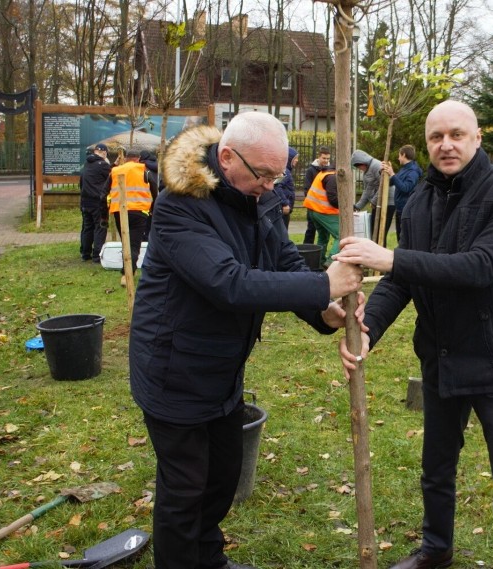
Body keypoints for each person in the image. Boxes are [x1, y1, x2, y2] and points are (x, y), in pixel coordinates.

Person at [128, 112, 365, 569]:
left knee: (221, 479)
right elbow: (228, 283)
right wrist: (325, 285)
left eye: (281, 175)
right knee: (184, 491)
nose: (273, 186)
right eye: (266, 175)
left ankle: (209, 560)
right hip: (174, 370)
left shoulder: (257, 197)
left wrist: (323, 311)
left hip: (222, 370)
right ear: (228, 157)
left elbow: (283, 259)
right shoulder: (180, 205)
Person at [336, 100, 493, 569]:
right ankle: (435, 549)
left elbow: (481, 266)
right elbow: (403, 280)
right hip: (442, 355)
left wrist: (390, 257)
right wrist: (369, 329)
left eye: (456, 134)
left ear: (476, 138)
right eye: (435, 137)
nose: (445, 145)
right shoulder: (422, 199)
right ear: (426, 143)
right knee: (436, 468)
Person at [108, 148, 153, 286]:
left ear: (126, 158)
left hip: (119, 211)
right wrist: (154, 208)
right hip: (139, 211)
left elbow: (104, 191)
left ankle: (128, 271)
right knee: (134, 245)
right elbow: (155, 189)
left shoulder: (115, 171)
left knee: (126, 243)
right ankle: (127, 274)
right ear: (138, 158)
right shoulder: (144, 171)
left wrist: (103, 216)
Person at [78, 143, 112, 263]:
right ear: (104, 153)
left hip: (85, 201)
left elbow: (81, 182)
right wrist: (108, 163)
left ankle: (85, 253)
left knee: (87, 227)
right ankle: (97, 255)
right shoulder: (103, 165)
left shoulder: (87, 164)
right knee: (100, 227)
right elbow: (112, 176)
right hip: (98, 202)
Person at [352, 149, 394, 243]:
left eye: (359, 166)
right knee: (373, 231)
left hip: (387, 203)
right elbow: (367, 190)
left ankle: (381, 255)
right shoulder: (367, 171)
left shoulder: (376, 166)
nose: (359, 168)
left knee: (380, 233)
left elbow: (385, 185)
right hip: (378, 203)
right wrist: (358, 206)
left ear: (363, 162)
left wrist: (374, 201)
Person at [382, 144, 423, 239]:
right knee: (399, 237)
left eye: (399, 155)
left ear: (404, 155)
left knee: (404, 239)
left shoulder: (413, 171)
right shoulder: (404, 169)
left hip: (407, 210)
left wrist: (392, 174)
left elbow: (405, 188)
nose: (398, 158)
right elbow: (393, 182)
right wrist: (385, 172)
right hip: (400, 209)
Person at [303, 168, 340, 266]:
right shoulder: (332, 177)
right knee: (341, 235)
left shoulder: (323, 173)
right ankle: (331, 261)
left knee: (323, 237)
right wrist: (346, 207)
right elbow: (332, 198)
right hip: (322, 211)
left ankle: (318, 262)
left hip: (313, 210)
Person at [302, 146, 331, 245]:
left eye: (328, 159)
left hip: (325, 206)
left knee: (324, 232)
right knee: (311, 230)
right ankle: (307, 249)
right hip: (313, 206)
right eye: (324, 158)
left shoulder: (330, 170)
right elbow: (307, 188)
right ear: (319, 157)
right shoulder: (311, 170)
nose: (326, 161)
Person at [274, 147, 298, 229]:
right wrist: (285, 204)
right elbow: (277, 186)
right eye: (295, 158)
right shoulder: (285, 172)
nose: (297, 160)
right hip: (282, 208)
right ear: (289, 159)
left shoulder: (286, 170)